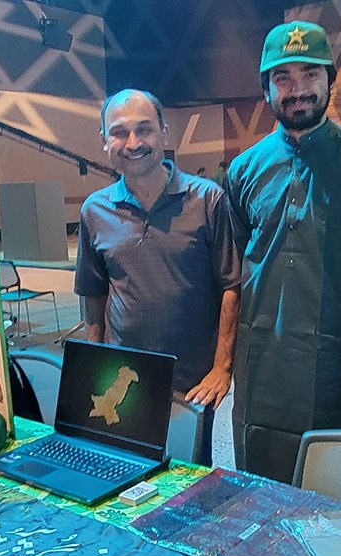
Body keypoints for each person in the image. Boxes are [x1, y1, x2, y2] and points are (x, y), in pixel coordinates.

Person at [226, 21, 341, 482]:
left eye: (310, 74)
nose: (297, 89)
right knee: (258, 491)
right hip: (261, 366)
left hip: (338, 368)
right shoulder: (244, 169)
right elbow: (241, 266)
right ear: (266, 88)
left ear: (330, 80)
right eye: (282, 77)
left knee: (333, 496)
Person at [75, 89, 241, 467]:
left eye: (144, 130)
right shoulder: (93, 211)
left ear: (165, 134)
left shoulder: (208, 200)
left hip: (192, 384)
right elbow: (94, 293)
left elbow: (232, 286)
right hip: (123, 382)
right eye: (119, 132)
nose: (133, 143)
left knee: (186, 483)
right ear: (104, 142)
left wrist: (222, 368)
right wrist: (94, 362)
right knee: (122, 475)